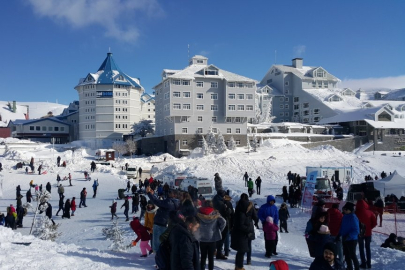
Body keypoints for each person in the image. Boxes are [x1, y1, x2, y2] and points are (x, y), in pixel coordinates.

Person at [146, 186, 178, 253]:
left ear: (174, 195)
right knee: (164, 242)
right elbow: (160, 202)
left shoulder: (169, 202)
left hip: (160, 224)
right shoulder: (176, 202)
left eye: (170, 192)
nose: (168, 193)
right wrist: (153, 194)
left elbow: (157, 202)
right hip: (167, 223)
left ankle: (159, 261)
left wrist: (149, 193)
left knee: (158, 245)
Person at [197, 200, 226, 270]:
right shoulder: (215, 213)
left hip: (202, 237)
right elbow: (224, 222)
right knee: (211, 258)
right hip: (212, 238)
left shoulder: (199, 213)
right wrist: (219, 230)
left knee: (203, 257)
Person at [231, 193, 258, 269]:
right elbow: (255, 217)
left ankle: (238, 266)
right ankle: (245, 262)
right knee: (245, 248)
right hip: (247, 230)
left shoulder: (238, 207)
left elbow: (236, 220)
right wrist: (253, 224)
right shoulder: (250, 207)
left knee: (241, 250)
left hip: (239, 232)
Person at [355, 199, 377, 269]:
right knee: (368, 248)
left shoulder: (355, 213)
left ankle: (363, 263)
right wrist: (369, 228)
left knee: (361, 248)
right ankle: (369, 263)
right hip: (368, 233)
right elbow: (374, 223)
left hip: (360, 233)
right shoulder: (370, 212)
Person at [339, 202, 360, 270]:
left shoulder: (353, 217)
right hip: (345, 239)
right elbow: (342, 227)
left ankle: (357, 268)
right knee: (346, 254)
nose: (344, 211)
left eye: (345, 209)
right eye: (344, 209)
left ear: (349, 210)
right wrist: (339, 234)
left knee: (352, 254)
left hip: (352, 239)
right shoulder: (345, 216)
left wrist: (348, 236)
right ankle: (349, 267)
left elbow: (356, 230)